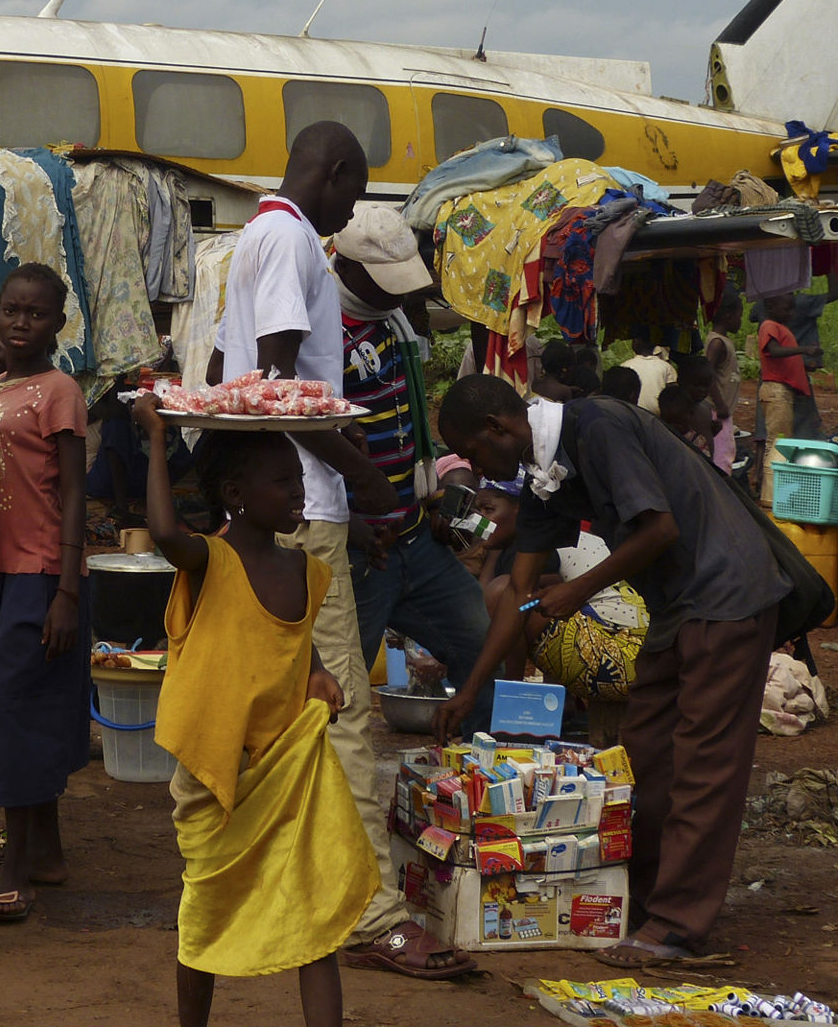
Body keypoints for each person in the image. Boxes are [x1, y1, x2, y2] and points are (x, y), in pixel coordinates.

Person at [434, 376, 789, 966]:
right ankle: (644, 900)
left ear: (500, 427)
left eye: (473, 453)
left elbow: (660, 528)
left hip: (727, 594)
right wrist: (469, 689)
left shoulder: (595, 426)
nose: (477, 467)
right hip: (677, 608)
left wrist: (578, 589)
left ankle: (676, 925)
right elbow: (518, 591)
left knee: (703, 765)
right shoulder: (543, 475)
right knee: (643, 753)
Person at [207, 122, 434, 979]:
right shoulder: (290, 240)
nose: (348, 210)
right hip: (305, 504)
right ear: (335, 174)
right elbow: (274, 392)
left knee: (293, 702)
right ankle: (374, 915)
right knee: (339, 706)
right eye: (353, 189)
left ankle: (296, 879)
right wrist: (365, 474)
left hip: (296, 503)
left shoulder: (270, 236)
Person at [134, 406, 421, 1026]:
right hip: (220, 771)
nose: (298, 493)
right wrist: (158, 437)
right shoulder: (210, 560)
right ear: (235, 496)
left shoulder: (304, 568)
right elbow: (161, 530)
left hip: (286, 765)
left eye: (300, 479)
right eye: (282, 483)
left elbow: (290, 637)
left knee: (313, 910)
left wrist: (316, 668)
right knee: (207, 903)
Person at [0, 263, 91, 925]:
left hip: (39, 572)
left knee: (14, 709)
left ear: (57, 324)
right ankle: (49, 851)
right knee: (13, 704)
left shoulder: (59, 390)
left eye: (35, 314)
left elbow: (70, 490)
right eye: (11, 310)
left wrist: (67, 586)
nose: (19, 323)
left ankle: (15, 866)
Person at [330, 204, 495, 737]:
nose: (398, 296)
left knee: (479, 639)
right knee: (341, 685)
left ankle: (472, 769)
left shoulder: (394, 325)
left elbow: (406, 422)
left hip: (415, 536)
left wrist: (427, 500)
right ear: (348, 267)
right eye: (386, 283)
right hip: (362, 546)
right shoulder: (321, 328)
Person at [469, 483, 647, 747]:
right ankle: (552, 706)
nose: (480, 519)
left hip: (621, 658)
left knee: (508, 598)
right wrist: (492, 548)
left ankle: (510, 709)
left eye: (489, 509)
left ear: (521, 510)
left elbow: (496, 598)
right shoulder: (533, 539)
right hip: (633, 655)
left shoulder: (537, 547)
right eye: (477, 510)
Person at [749, 259, 838, 438]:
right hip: (793, 375)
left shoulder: (764, 305)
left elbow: (753, 315)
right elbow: (836, 293)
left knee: (768, 429)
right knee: (801, 429)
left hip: (770, 376)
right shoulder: (800, 303)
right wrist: (830, 261)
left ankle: (766, 464)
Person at [756, 295, 821, 505]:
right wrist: (804, 349)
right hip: (777, 392)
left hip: (782, 392)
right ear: (771, 305)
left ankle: (775, 494)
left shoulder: (778, 327)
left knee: (780, 442)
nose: (791, 314)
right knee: (777, 443)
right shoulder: (769, 326)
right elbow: (774, 352)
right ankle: (770, 497)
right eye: (787, 309)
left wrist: (804, 364)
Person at [704, 297, 744, 473]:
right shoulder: (718, 343)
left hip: (720, 410)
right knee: (722, 457)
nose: (740, 321)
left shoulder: (721, 341)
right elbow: (707, 372)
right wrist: (720, 404)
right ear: (729, 316)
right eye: (739, 316)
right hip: (717, 411)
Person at [659, 378, 714, 458]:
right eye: (668, 422)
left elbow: (705, 465)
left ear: (691, 415)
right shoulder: (658, 437)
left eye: (679, 422)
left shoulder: (697, 441)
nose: (674, 427)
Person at [620, 337, 676, 413]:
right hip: (658, 415)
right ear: (655, 347)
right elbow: (673, 392)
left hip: (632, 412)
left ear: (633, 347)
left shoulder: (624, 366)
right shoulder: (666, 366)